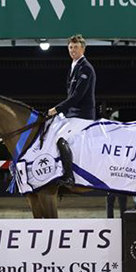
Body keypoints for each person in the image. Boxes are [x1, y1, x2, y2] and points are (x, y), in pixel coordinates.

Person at [48, 34, 97, 187]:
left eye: (76, 47)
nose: (72, 50)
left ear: (83, 49)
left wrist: (57, 109)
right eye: (70, 47)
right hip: (72, 114)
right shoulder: (74, 66)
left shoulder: (85, 68)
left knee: (60, 139)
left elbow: (77, 96)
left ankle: (69, 176)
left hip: (82, 115)